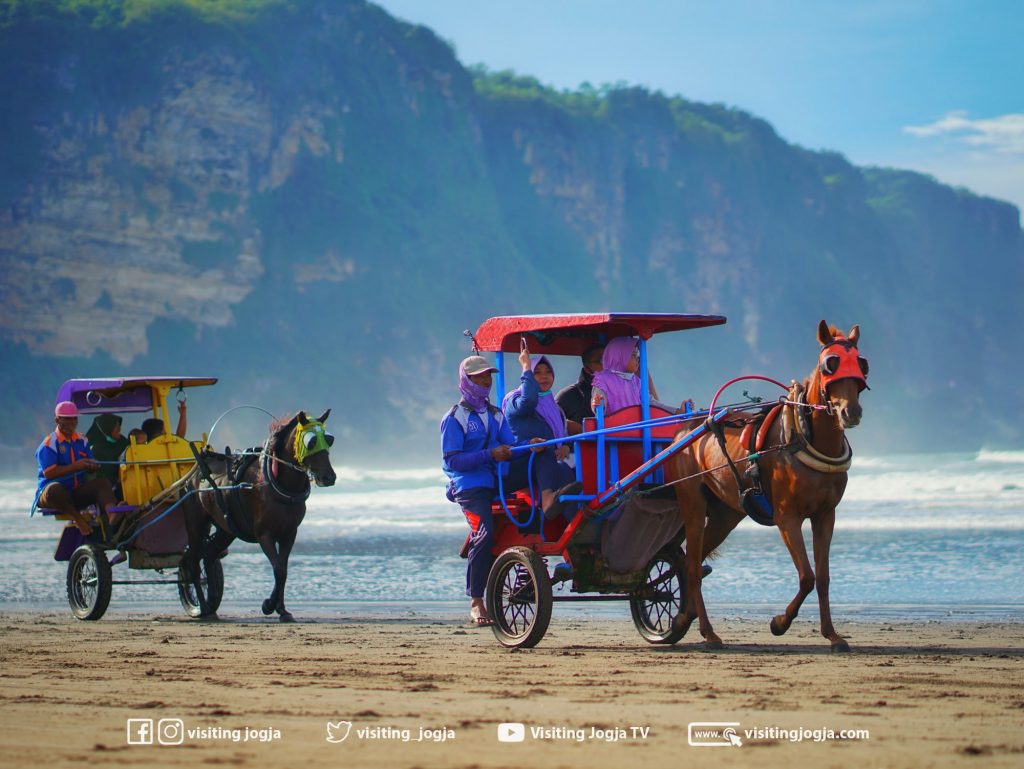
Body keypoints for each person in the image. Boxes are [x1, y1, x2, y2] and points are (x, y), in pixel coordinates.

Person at [441, 355, 516, 627]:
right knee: (484, 535)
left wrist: (531, 444)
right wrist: (489, 454)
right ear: (465, 380)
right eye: (480, 376)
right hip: (470, 487)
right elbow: (452, 460)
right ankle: (476, 601)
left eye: (488, 376)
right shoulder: (455, 418)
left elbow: (511, 445)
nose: (486, 381)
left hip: (497, 482)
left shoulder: (497, 414)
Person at [502, 344, 579, 520]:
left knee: (570, 470)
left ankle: (576, 527)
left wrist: (565, 446)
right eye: (537, 372)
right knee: (549, 453)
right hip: (522, 462)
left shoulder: (555, 407)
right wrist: (526, 367)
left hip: (551, 462)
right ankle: (548, 500)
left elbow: (562, 435)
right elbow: (528, 400)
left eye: (547, 372)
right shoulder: (515, 401)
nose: (544, 377)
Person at [34, 401, 117, 537]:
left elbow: (89, 463)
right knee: (55, 489)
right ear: (57, 420)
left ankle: (112, 513)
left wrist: (92, 466)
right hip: (51, 496)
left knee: (103, 483)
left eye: (74, 418)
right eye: (66, 419)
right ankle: (79, 519)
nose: (71, 422)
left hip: (74, 492)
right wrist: (76, 466)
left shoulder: (82, 440)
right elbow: (49, 473)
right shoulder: (49, 444)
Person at [590, 337, 680, 414]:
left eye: (637, 355)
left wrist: (677, 411)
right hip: (613, 430)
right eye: (633, 355)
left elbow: (651, 403)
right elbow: (598, 402)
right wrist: (598, 404)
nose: (637, 359)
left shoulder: (636, 381)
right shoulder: (602, 379)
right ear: (620, 357)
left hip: (637, 430)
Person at [556, 343, 605, 425]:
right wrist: (567, 425)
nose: (607, 364)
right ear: (587, 369)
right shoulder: (568, 395)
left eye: (609, 359)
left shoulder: (622, 390)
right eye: (600, 361)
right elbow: (552, 425)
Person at [86, 414, 129, 492]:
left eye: (119, 425)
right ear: (106, 428)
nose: (119, 429)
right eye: (115, 426)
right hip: (103, 491)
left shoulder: (123, 442)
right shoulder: (94, 449)